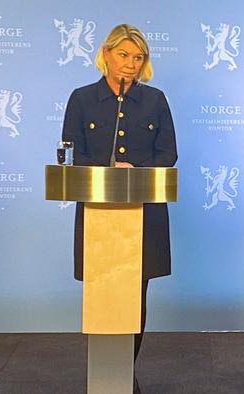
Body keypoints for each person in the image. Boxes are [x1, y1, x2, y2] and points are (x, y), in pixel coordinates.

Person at [61, 24, 177, 393]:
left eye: (138, 57)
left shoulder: (155, 99)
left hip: (143, 214)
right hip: (98, 214)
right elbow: (71, 153)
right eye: (123, 55)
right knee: (101, 291)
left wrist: (136, 172)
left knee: (134, 293)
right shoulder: (81, 98)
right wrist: (102, 171)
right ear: (106, 54)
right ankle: (104, 372)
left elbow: (168, 154)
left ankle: (125, 372)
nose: (130, 64)